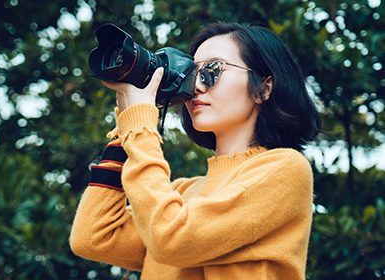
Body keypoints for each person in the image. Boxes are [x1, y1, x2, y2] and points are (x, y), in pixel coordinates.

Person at [70, 22, 321, 280]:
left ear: (265, 87)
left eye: (212, 71)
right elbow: (93, 237)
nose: (197, 87)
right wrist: (128, 131)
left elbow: (171, 239)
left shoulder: (285, 169)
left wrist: (142, 130)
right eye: (192, 73)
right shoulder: (181, 194)